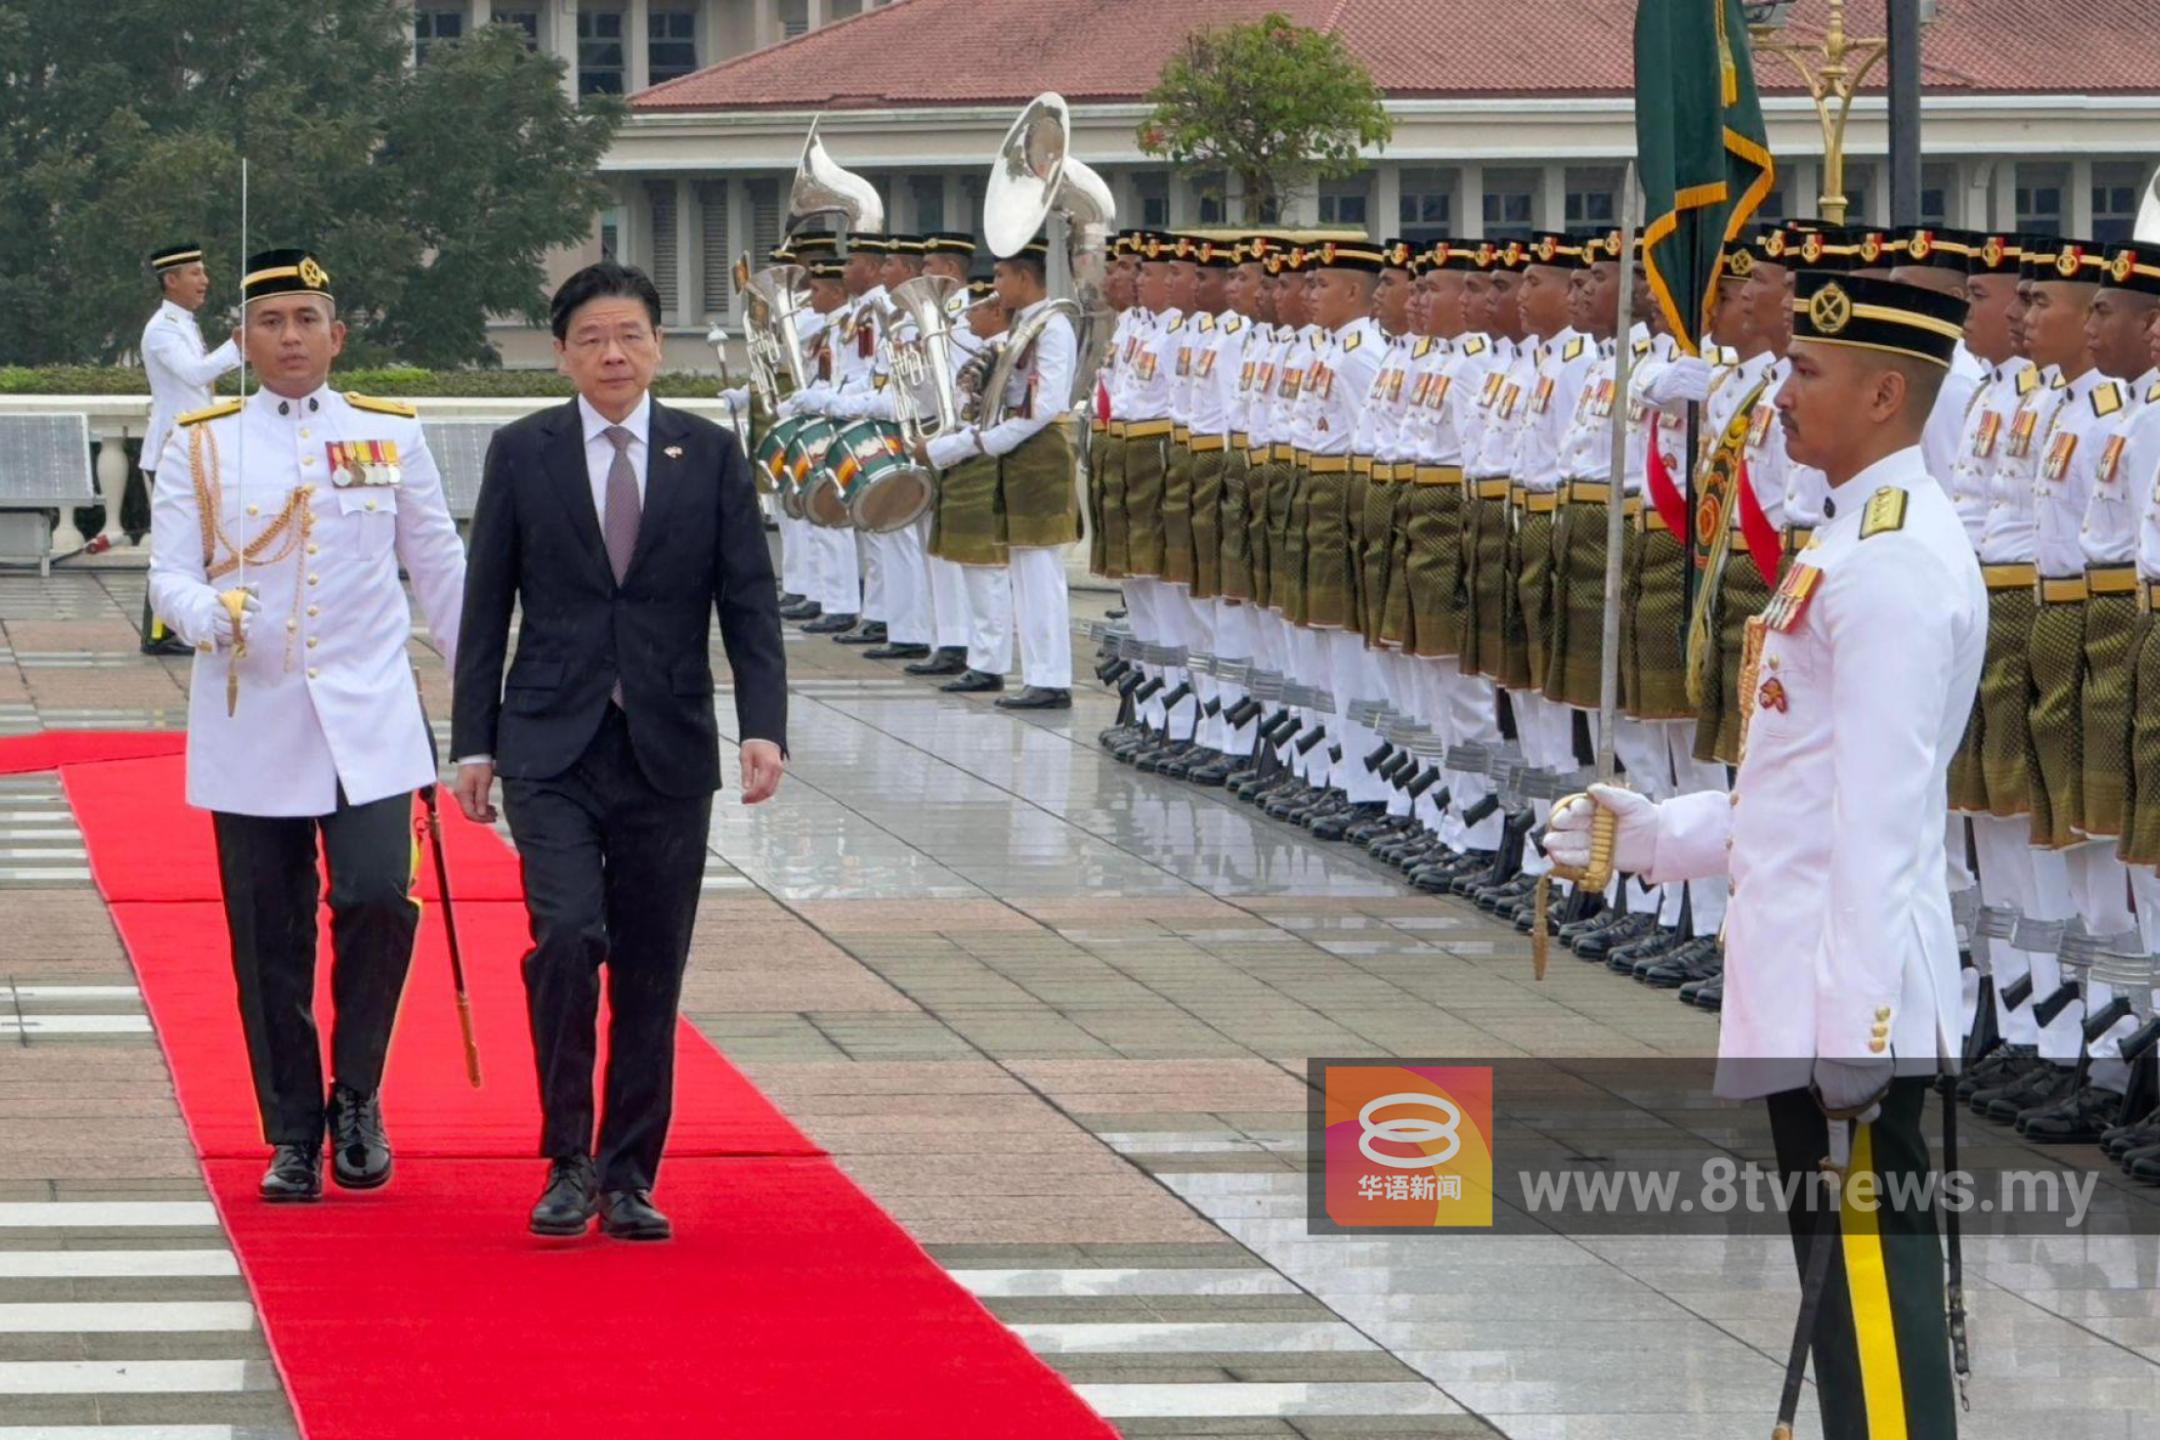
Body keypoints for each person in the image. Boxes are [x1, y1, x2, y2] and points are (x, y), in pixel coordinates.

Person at [1549, 272, 1982, 1440]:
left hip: (1847, 1007)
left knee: (1877, 1333)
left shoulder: (1890, 559)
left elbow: (1882, 821)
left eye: (1806, 371)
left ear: (1886, 393)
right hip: (1810, 988)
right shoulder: (1848, 536)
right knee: (1848, 1325)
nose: (1781, 393)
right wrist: (1654, 836)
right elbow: (1800, 791)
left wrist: (1854, 1031)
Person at [451, 261, 788, 1241]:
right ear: (562, 352)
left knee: (649, 966)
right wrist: (474, 740)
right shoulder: (523, 453)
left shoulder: (710, 455)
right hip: (550, 741)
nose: (613, 354)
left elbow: (749, 601)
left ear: (657, 346)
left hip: (668, 745)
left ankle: (630, 1174)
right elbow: (487, 608)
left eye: (631, 336)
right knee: (565, 938)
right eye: (592, 338)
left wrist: (762, 721)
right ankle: (567, 1158)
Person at [147, 248, 467, 1202]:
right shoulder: (202, 443)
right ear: (240, 340)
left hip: (369, 719)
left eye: (306, 319)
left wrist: (493, 706)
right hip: (254, 718)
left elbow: (441, 573)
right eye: (271, 322)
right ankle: (291, 1132)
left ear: (339, 333)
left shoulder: (390, 435)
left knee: (376, 899)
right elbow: (167, 570)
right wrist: (202, 614)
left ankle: (356, 1093)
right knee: (266, 938)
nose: (290, 337)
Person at [922, 236, 1082, 709]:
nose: (995, 287)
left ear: (1025, 278)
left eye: (1001, 276)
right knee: (1027, 572)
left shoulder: (1051, 327)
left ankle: (1051, 677)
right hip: (1019, 455)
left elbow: (1042, 405)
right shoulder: (1027, 325)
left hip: (1038, 455)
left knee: (1040, 573)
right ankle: (1039, 675)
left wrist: (980, 442)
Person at [140, 243, 242, 654]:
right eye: (195, 273)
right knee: (173, 544)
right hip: (169, 450)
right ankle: (160, 634)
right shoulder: (163, 328)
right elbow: (193, 372)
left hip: (195, 446)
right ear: (171, 280)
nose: (204, 281)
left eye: (203, 272)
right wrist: (237, 346)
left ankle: (170, 630)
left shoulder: (184, 323)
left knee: (197, 542)